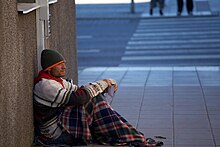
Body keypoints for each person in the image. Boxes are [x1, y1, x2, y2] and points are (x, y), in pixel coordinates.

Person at [33, 49, 164, 147]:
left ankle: (130, 134)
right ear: (49, 68)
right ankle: (132, 135)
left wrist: (102, 87)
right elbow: (79, 97)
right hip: (54, 134)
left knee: (95, 99)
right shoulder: (45, 85)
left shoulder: (57, 80)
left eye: (64, 63)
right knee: (92, 100)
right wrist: (103, 83)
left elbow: (79, 90)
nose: (64, 67)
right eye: (59, 65)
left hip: (62, 124)